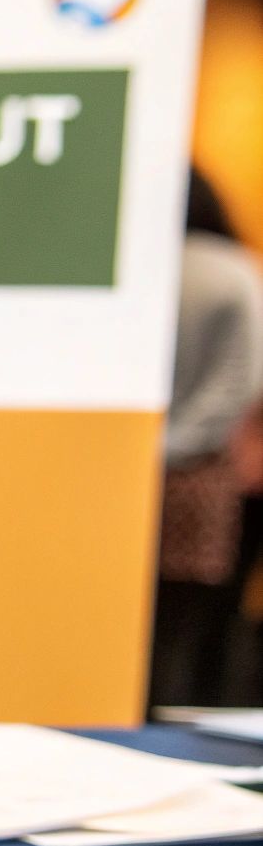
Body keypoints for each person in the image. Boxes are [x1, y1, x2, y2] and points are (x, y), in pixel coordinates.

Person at [150, 167, 263, 711]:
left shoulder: (145, 270)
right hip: (206, 478)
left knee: (140, 629)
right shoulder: (232, 271)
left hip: (130, 473)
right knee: (197, 628)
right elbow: (241, 381)